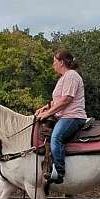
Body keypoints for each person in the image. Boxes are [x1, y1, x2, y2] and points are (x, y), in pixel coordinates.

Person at [35, 49, 87, 184]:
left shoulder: (71, 76)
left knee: (56, 137)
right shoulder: (64, 78)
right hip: (64, 116)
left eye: (54, 61)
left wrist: (47, 114)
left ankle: (59, 172)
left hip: (73, 117)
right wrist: (45, 107)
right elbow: (58, 100)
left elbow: (66, 100)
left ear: (61, 62)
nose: (53, 64)